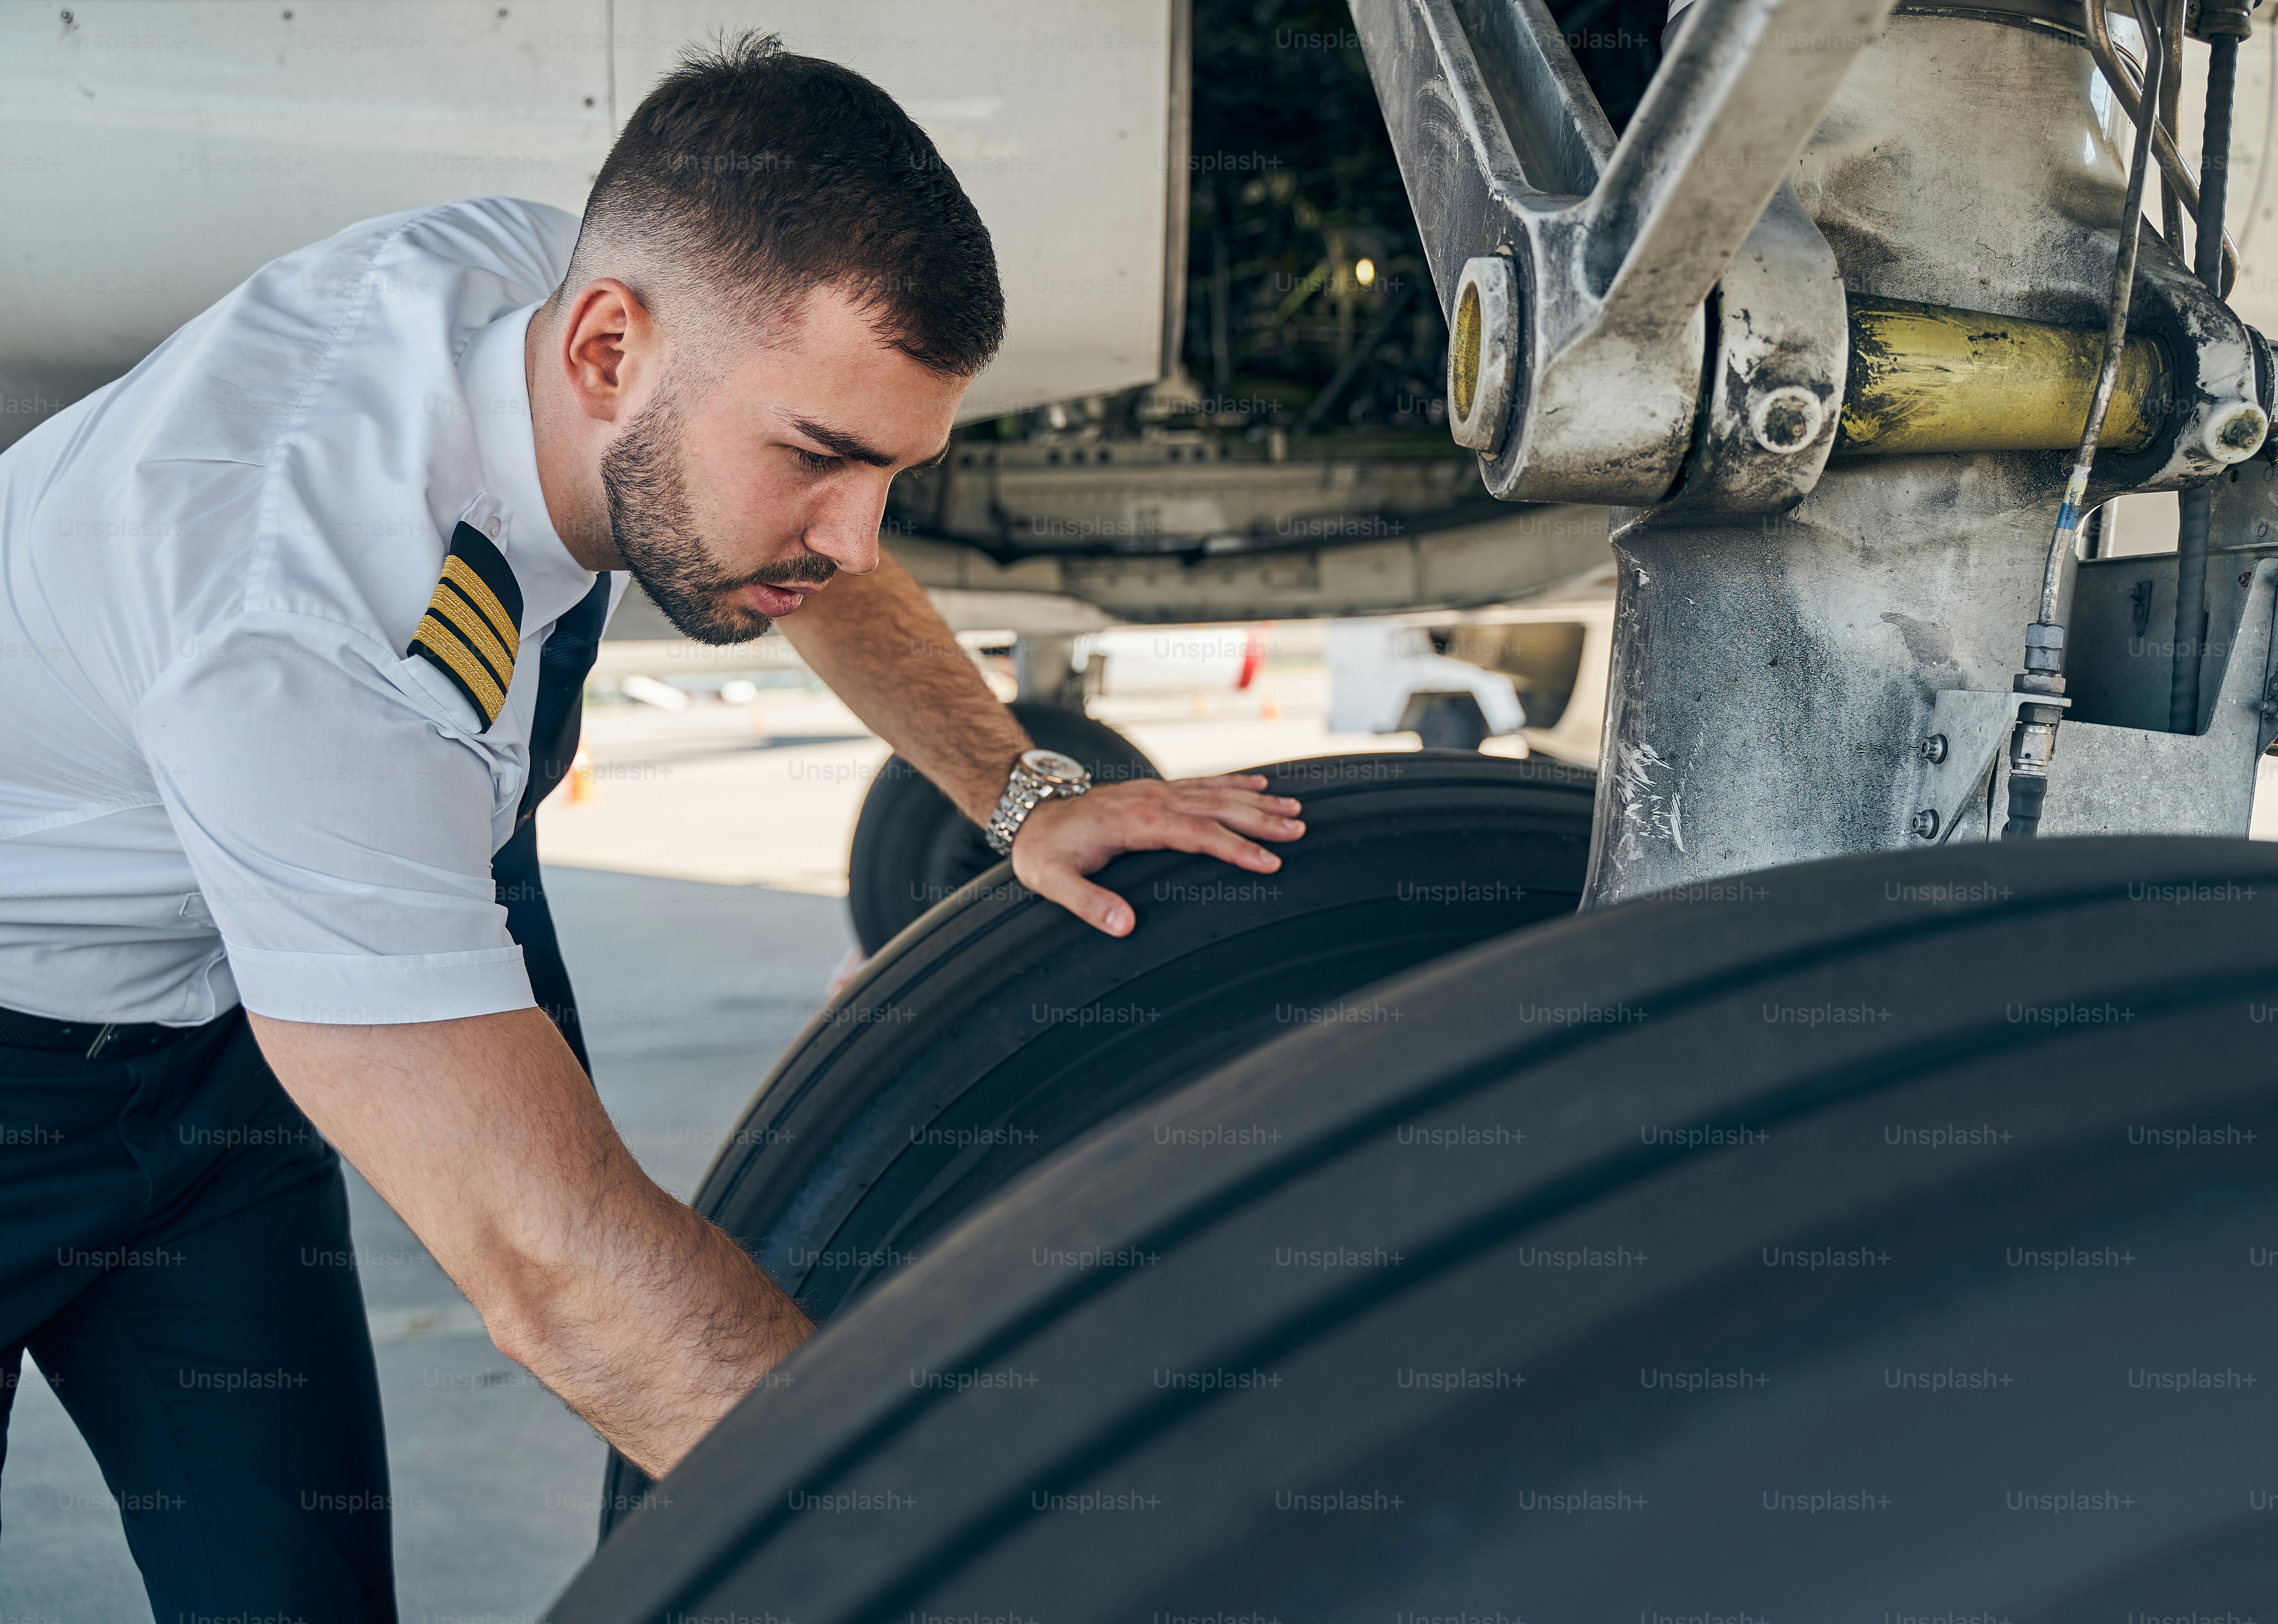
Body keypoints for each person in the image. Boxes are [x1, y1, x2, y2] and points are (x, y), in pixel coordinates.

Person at [0, 35, 1304, 1622]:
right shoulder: (291, 630)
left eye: (888, 469)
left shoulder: (544, 293)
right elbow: (556, 1271)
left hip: (208, 1075)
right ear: (607, 351)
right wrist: (987, 1544)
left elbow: (810, 546)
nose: (859, 535)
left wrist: (1018, 789)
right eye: (820, 459)